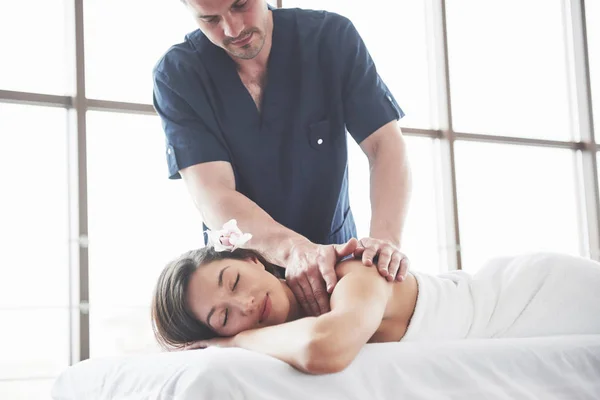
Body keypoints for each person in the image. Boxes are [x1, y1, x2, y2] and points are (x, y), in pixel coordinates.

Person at [152, 0, 413, 317]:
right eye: (210, 19)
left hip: (337, 264)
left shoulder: (330, 38)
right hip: (241, 283)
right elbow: (214, 194)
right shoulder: (178, 75)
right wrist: (294, 250)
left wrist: (383, 245)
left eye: (240, 5)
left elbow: (384, 145)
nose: (233, 29)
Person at [151, 222, 600, 375]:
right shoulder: (286, 333)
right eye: (223, 316)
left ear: (252, 259)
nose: (245, 304)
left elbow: (326, 348)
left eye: (233, 281)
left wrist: (232, 343)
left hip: (532, 294)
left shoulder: (349, 270)